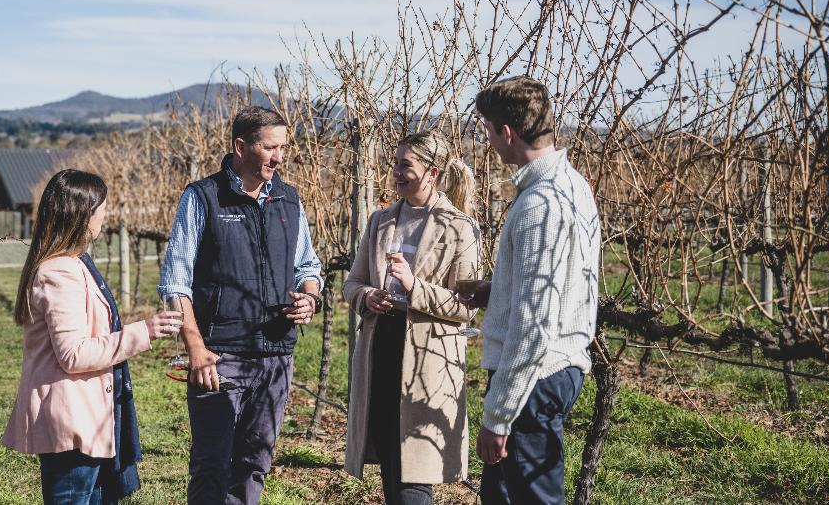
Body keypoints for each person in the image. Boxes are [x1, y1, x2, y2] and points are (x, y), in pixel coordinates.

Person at [157, 106, 323, 505]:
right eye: (270, 148)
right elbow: (175, 283)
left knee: (254, 462)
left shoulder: (288, 199)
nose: (279, 157)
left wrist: (311, 295)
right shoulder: (202, 198)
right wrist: (196, 349)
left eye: (283, 148)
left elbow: (308, 264)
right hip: (219, 356)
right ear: (241, 146)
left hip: (275, 356)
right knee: (212, 463)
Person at [3, 169, 182, 505]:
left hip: (85, 415)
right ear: (82, 214)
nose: (105, 215)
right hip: (72, 422)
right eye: (101, 208)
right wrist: (146, 330)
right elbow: (74, 354)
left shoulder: (74, 263)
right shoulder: (59, 271)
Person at [467, 77, 601, 505]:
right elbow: (556, 287)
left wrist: (498, 416)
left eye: (487, 130)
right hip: (555, 368)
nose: (488, 142)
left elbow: (535, 325)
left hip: (534, 378)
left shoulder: (539, 205)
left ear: (506, 132)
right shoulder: (575, 187)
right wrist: (499, 290)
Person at [342, 130, 481, 505]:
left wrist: (414, 286)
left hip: (426, 360)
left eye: (406, 165)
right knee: (390, 460)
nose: (397, 172)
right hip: (381, 348)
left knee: (414, 473)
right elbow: (351, 283)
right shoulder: (381, 221)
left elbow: (466, 305)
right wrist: (367, 295)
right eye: (396, 163)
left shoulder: (458, 227)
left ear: (432, 172)